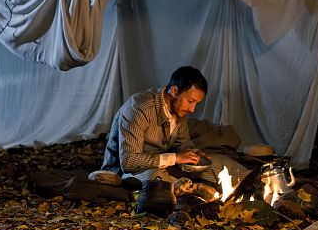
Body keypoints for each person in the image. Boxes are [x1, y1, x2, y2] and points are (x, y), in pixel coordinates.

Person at [101, 66, 248, 193]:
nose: (192, 109)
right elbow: (129, 162)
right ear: (174, 90)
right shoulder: (139, 107)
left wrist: (194, 154)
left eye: (196, 103)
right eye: (190, 101)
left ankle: (254, 180)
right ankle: (192, 190)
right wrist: (175, 158)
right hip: (129, 171)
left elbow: (183, 145)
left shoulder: (178, 110)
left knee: (219, 161)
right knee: (155, 176)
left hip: (167, 165)